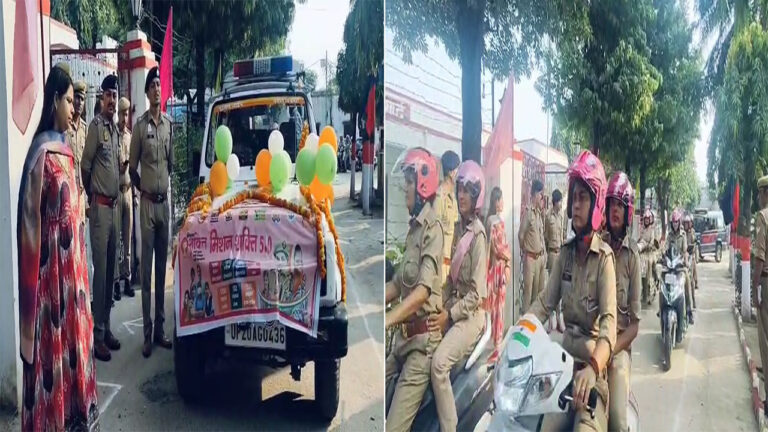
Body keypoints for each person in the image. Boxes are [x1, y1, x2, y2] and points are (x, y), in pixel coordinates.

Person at [17, 64, 99, 430]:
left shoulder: (66, 150)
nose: (74, 107)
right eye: (68, 100)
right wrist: (33, 300)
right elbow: (29, 229)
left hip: (74, 282)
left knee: (76, 350)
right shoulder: (40, 155)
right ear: (54, 100)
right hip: (51, 287)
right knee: (52, 356)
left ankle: (77, 417)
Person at [527, 150, 616, 431]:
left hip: (591, 374)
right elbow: (543, 304)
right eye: (573, 198)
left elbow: (609, 326)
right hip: (562, 369)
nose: (575, 205)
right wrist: (517, 333)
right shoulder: (564, 254)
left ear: (596, 204)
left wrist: (593, 367)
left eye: (583, 198)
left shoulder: (604, 260)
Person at [385, 147, 444, 432]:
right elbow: (398, 284)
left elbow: (421, 291)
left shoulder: (433, 229)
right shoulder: (413, 230)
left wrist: (388, 318)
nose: (404, 189)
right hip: (402, 342)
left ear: (422, 184)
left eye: (408, 182)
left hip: (421, 347)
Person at [429, 160, 487, 432]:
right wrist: (432, 304)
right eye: (460, 188)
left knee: (439, 365)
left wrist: (447, 315)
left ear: (477, 196)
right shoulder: (460, 229)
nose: (461, 194)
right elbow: (451, 284)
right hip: (453, 307)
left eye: (468, 190)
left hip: (471, 317)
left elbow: (476, 295)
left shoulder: (478, 236)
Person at [130, 66, 174, 358]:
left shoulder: (169, 124)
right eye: (153, 86)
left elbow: (170, 164)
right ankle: (147, 333)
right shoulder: (139, 126)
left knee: (162, 273)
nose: (157, 89)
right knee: (146, 273)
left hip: (164, 204)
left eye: (159, 85)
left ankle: (160, 330)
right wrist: (143, 190)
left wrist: (160, 189)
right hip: (146, 206)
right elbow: (131, 167)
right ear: (147, 93)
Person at [81, 74, 122, 361]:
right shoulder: (96, 128)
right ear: (101, 98)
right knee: (101, 273)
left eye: (115, 96)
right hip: (100, 210)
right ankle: (96, 337)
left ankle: (106, 327)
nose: (112, 100)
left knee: (111, 271)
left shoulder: (116, 130)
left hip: (116, 208)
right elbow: (85, 166)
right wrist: (93, 196)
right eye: (108, 95)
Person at [602, 172, 641, 432]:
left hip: (617, 350)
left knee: (616, 417)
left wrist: (611, 350)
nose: (614, 210)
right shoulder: (596, 246)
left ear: (627, 211)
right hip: (591, 343)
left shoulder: (633, 256)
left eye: (619, 205)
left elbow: (635, 326)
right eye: (611, 204)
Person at [485, 186, 511, 362]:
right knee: (496, 308)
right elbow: (497, 247)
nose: (502, 203)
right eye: (500, 199)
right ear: (495, 202)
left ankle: (497, 345)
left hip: (498, 269)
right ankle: (496, 346)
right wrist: (508, 257)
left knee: (497, 307)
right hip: (497, 269)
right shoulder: (494, 222)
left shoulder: (495, 221)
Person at [115, 96, 135, 300]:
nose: (124, 117)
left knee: (127, 239)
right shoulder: (112, 135)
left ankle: (127, 279)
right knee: (116, 240)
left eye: (126, 113)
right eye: (122, 113)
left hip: (128, 190)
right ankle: (115, 283)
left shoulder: (129, 136)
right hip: (116, 191)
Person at [751, 174, 768, 416]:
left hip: (767, 281)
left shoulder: (763, 217)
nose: (758, 196)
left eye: (760, 192)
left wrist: (754, 288)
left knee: (765, 342)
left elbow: (759, 257)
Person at [518, 179, 547, 313]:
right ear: (535, 194)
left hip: (539, 259)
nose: (542, 197)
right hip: (530, 259)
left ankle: (533, 324)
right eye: (541, 194)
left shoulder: (538, 214)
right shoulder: (528, 213)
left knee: (537, 295)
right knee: (528, 295)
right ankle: (524, 325)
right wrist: (525, 251)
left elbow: (541, 236)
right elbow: (521, 235)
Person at [435, 150, 460, 288]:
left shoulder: (452, 198)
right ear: (451, 172)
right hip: (440, 262)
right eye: (457, 170)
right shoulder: (440, 197)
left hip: (449, 262)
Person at [545, 188, 567, 332]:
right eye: (559, 201)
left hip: (561, 253)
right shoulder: (549, 217)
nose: (561, 204)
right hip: (552, 254)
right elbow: (546, 237)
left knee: (561, 286)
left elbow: (563, 234)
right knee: (552, 287)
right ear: (555, 202)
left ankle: (560, 318)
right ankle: (551, 317)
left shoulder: (561, 217)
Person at [668, 209, 694, 324]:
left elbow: (684, 251)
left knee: (687, 279)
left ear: (679, 223)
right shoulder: (669, 236)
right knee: (662, 279)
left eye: (676, 222)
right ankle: (662, 306)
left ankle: (689, 310)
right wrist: (661, 257)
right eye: (673, 222)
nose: (675, 224)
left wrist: (685, 261)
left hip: (679, 266)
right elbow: (665, 249)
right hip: (670, 266)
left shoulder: (683, 236)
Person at [638, 209, 660, 305]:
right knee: (642, 273)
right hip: (643, 254)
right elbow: (639, 239)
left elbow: (653, 242)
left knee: (652, 264)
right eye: (645, 219)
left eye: (648, 219)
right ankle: (644, 292)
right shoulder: (641, 229)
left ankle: (656, 278)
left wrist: (647, 245)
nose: (646, 221)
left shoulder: (653, 229)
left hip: (651, 253)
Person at [684, 214, 699, 291]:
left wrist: (691, 233)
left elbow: (694, 241)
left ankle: (695, 282)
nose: (687, 225)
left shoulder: (692, 231)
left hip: (691, 252)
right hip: (685, 253)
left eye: (688, 223)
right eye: (685, 223)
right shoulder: (682, 232)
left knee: (693, 265)